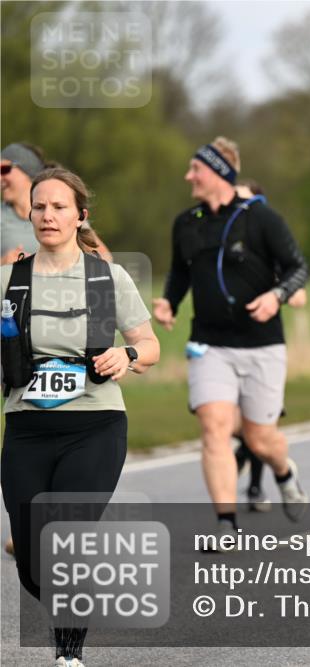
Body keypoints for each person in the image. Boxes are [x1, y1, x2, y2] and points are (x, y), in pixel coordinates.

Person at [1, 168, 160, 666]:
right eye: (39, 206)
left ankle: (68, 656)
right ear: (30, 213)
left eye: (59, 207)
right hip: (26, 428)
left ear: (80, 216)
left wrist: (126, 357)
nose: (47, 215)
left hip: (94, 425)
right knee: (32, 562)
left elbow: (149, 345)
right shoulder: (9, 280)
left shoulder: (104, 278)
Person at [152, 137, 309, 543]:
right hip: (210, 345)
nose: (188, 176)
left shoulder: (262, 219)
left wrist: (276, 297)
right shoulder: (186, 223)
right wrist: (169, 302)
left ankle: (284, 472)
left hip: (262, 345)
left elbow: (298, 268)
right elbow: (180, 272)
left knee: (259, 438)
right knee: (214, 427)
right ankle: (226, 524)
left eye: (196, 169)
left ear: (219, 172)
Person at [230, 179, 307, 512]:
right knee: (231, 422)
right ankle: (243, 460)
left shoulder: (270, 247)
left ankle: (256, 487)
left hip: (263, 348)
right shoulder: (227, 247)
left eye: (244, 200)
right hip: (224, 347)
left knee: (259, 426)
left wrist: (277, 294)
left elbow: (299, 295)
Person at [1, 143, 111, 265]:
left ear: (27, 170)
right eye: (38, 208)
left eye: (4, 170)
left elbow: (105, 259)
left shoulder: (69, 216)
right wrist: (3, 263)